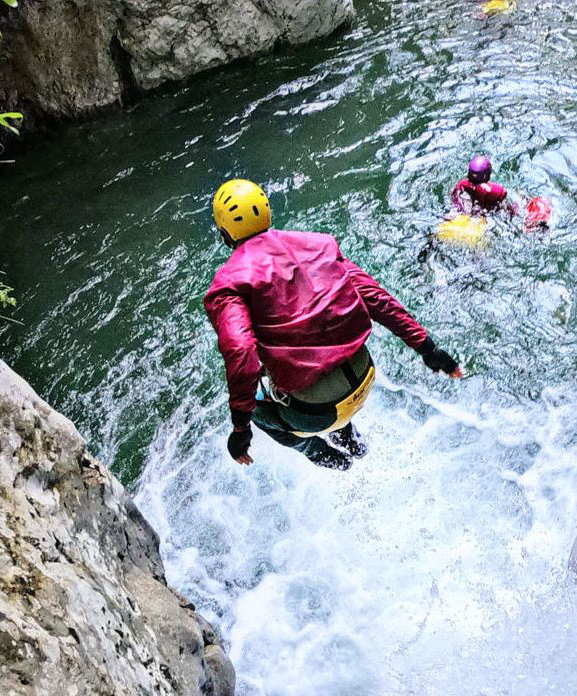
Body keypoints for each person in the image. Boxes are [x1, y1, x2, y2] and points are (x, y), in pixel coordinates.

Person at [204, 178, 462, 471]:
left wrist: (240, 430)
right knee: (323, 378)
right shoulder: (318, 244)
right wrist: (428, 348)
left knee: (257, 411)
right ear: (267, 213)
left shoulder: (229, 283)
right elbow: (376, 298)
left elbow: (241, 352)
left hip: (314, 411)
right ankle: (351, 439)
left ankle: (319, 453)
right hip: (364, 375)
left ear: (224, 231)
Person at [450, 155, 519, 217]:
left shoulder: (462, 185)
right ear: (487, 175)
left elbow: (454, 198)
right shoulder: (495, 191)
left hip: (457, 216)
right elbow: (509, 210)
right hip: (479, 220)